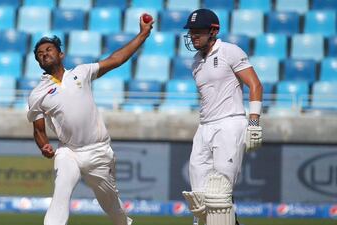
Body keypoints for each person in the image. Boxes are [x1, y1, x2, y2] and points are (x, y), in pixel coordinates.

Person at [26, 16, 154, 225]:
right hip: (69, 151)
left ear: (61, 54)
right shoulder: (37, 94)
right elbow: (39, 131)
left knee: (112, 207)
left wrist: (142, 35)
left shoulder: (81, 73)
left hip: (98, 151)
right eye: (40, 54)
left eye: (48, 49)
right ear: (38, 62)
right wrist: (44, 147)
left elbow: (116, 60)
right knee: (60, 193)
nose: (44, 54)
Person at [180, 8, 263, 225]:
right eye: (191, 32)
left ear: (213, 31)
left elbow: (255, 85)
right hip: (204, 127)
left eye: (198, 31)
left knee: (219, 193)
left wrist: (254, 123)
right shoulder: (196, 62)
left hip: (230, 124)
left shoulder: (230, 51)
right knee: (199, 197)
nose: (193, 36)